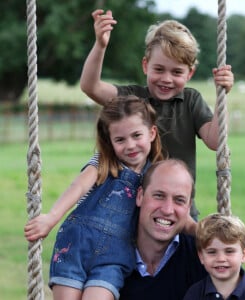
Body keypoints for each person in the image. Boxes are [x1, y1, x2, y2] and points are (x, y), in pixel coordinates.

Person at [80, 9, 234, 220]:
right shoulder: (132, 98)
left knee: (188, 251)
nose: (167, 79)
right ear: (145, 65)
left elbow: (216, 141)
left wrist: (221, 95)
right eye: (159, 69)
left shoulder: (191, 101)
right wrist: (100, 45)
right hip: (133, 212)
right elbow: (91, 87)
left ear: (190, 73)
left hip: (180, 211)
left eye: (177, 72)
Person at [24, 95, 164, 300]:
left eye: (136, 135)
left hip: (114, 258)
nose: (130, 145)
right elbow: (78, 186)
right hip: (75, 246)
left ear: (151, 133)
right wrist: (51, 218)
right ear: (110, 141)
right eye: (120, 139)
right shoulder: (104, 162)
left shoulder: (156, 174)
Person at [118, 158, 208, 300]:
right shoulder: (108, 254)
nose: (167, 210)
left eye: (179, 200)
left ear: (188, 207)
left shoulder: (205, 258)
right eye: (159, 196)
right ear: (140, 196)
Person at [183, 213, 245, 300]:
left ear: (244, 254)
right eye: (212, 252)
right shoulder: (194, 293)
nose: (220, 259)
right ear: (201, 256)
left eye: (229, 251)